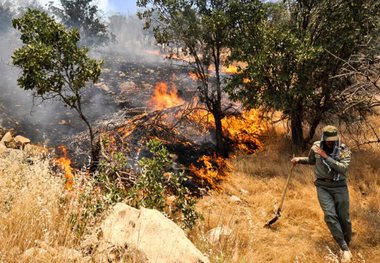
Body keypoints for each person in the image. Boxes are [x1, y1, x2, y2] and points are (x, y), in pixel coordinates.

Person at [291, 125, 353, 262]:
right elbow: (312, 160)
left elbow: (342, 168)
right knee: (330, 215)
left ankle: (347, 241)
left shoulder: (343, 150)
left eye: (333, 140)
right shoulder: (316, 147)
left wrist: (326, 157)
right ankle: (343, 247)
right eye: (329, 140)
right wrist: (299, 160)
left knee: (344, 218)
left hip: (339, 186)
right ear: (323, 138)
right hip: (322, 186)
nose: (331, 142)